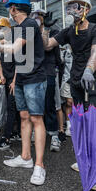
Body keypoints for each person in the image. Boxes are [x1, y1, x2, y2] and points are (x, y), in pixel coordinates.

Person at [41, 0, 96, 191]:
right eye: (70, 7)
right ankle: (87, 160)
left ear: (86, 9)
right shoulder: (68, 31)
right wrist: (46, 28)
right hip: (76, 82)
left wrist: (89, 70)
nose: (73, 10)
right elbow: (47, 45)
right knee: (81, 122)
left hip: (93, 80)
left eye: (77, 6)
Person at [0, 0, 48, 186]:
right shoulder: (19, 27)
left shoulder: (30, 25)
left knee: (36, 118)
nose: (9, 11)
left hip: (35, 78)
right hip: (22, 79)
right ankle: (26, 157)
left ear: (14, 8)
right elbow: (12, 49)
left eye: (10, 7)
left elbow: (13, 49)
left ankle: (39, 165)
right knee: (24, 117)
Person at [36, 9, 65, 153]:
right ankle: (38, 132)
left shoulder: (52, 32)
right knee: (35, 105)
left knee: (50, 104)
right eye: (35, 15)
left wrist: (45, 28)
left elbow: (46, 47)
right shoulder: (31, 31)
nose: (38, 18)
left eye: (40, 15)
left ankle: (54, 135)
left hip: (49, 71)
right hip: (34, 72)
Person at [0, 18, 21, 151]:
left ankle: (6, 138)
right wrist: (2, 76)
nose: (0, 31)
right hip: (6, 80)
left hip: (15, 80)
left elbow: (18, 65)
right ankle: (17, 132)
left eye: (2, 28)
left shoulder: (15, 45)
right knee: (12, 107)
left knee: (12, 107)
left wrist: (14, 81)